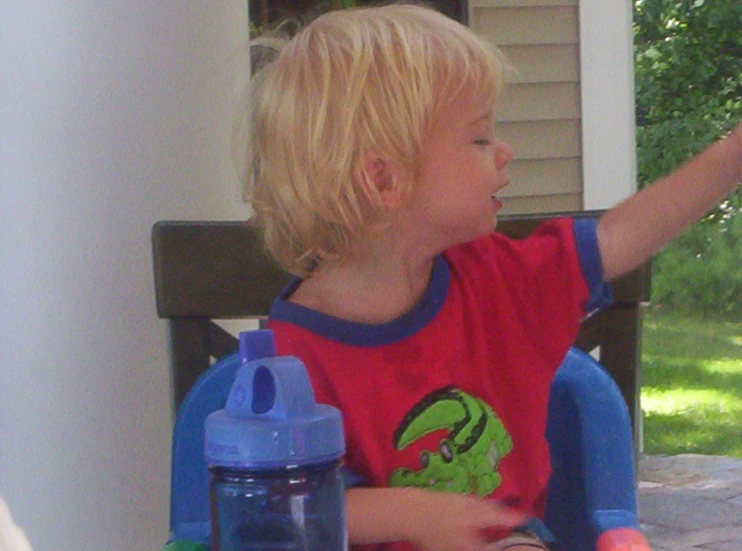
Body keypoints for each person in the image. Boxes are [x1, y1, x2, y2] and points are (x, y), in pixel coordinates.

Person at [239, 4, 742, 550]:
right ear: (385, 179)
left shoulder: (498, 282)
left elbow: (621, 237)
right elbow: (283, 508)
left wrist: (733, 156)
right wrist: (412, 516)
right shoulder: (290, 362)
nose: (505, 152)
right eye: (480, 139)